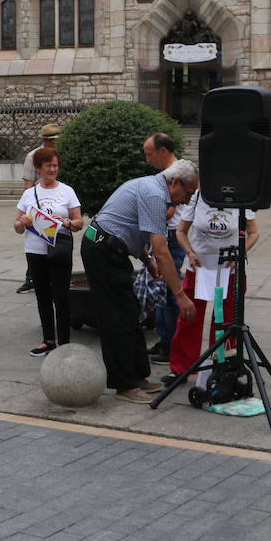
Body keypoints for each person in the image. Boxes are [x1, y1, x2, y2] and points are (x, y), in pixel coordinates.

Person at [81, 159, 199, 404]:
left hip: (111, 249)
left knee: (130, 312)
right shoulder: (155, 195)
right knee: (116, 318)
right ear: (175, 182)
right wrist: (180, 295)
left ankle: (138, 377)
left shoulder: (150, 188)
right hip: (102, 251)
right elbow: (162, 250)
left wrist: (147, 262)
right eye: (187, 193)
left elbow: (130, 229)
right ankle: (124, 384)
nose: (186, 201)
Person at [166, 193, 259, 385]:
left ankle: (222, 365)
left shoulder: (241, 198)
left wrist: (240, 255)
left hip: (228, 267)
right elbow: (181, 231)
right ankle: (181, 368)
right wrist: (190, 253)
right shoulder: (198, 197)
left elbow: (254, 233)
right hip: (200, 265)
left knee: (226, 320)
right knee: (189, 316)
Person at [14, 147, 83, 357]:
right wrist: (22, 222)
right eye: (48, 166)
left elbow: (79, 222)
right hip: (35, 251)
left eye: (55, 165)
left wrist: (68, 222)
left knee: (61, 297)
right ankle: (48, 340)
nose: (53, 169)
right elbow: (16, 226)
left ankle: (64, 342)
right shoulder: (29, 193)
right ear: (38, 169)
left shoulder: (67, 191)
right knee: (42, 296)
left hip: (59, 250)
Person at [142, 132, 183, 366]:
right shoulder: (166, 174)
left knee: (169, 290)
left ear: (163, 151)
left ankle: (171, 343)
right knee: (161, 289)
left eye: (150, 154)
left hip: (171, 236)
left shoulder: (177, 175)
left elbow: (170, 211)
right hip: (162, 233)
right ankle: (164, 338)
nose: (148, 159)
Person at [18, 123, 61, 293]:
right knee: (38, 240)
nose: (55, 144)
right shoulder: (33, 156)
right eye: (52, 141)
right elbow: (28, 184)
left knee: (55, 241)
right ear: (46, 141)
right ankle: (32, 277)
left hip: (57, 200)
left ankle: (51, 276)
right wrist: (32, 208)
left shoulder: (59, 154)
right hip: (39, 204)